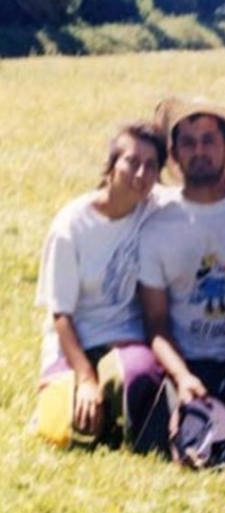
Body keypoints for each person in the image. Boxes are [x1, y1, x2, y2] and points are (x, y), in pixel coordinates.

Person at [34, 121, 168, 449]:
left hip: (124, 339)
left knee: (136, 379)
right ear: (110, 166)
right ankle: (85, 401)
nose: (140, 174)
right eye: (131, 162)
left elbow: (202, 191)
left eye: (151, 166)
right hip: (72, 344)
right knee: (65, 430)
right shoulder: (71, 225)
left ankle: (115, 404)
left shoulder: (153, 210)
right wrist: (84, 377)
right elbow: (60, 315)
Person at [138, 96, 225, 460]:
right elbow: (155, 323)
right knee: (182, 443)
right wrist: (182, 377)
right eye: (188, 142)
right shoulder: (156, 226)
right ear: (173, 154)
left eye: (209, 140)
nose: (199, 151)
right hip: (190, 362)